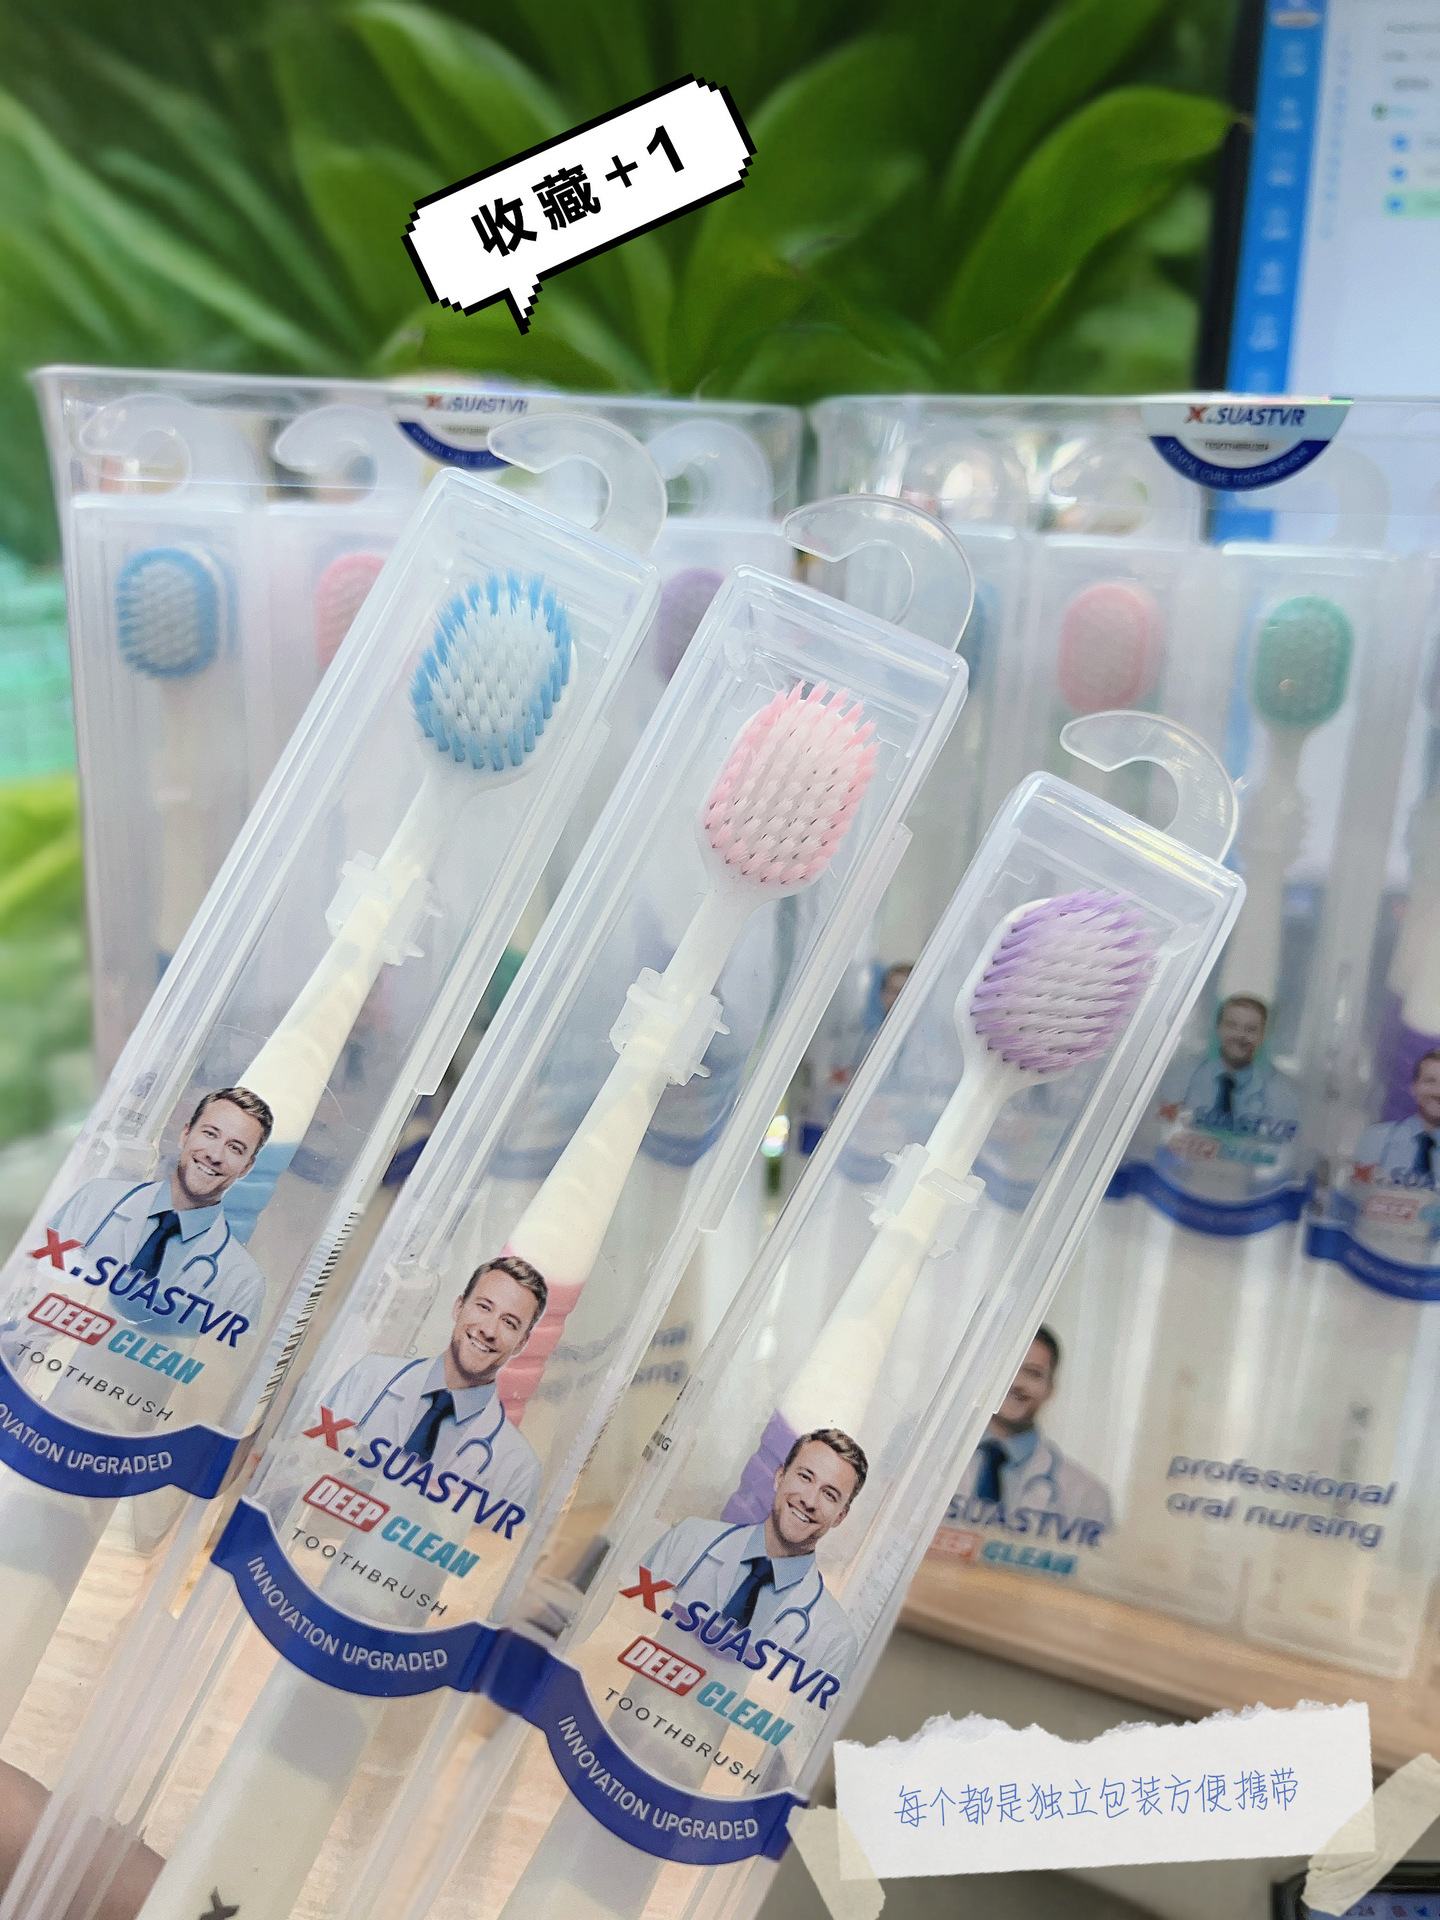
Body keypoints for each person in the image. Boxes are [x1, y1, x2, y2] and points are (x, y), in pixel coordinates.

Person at [7, 1087, 272, 1365]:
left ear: (246, 1167)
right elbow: (23, 1282)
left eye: (235, 1148)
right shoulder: (95, 1199)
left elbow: (213, 1373)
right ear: (185, 1134)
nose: (215, 1155)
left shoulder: (244, 1282)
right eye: (210, 1133)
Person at [319, 1255, 546, 1513]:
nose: (489, 1330)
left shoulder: (520, 1469)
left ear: (521, 1343)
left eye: (509, 1323)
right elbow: (301, 1467)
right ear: (458, 1307)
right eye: (484, 1307)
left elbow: (495, 1540)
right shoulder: (369, 1376)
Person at [641, 1429, 865, 1683]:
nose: (809, 1501)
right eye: (805, 1477)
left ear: (840, 1516)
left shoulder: (836, 1640)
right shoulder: (689, 1538)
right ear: (780, 1477)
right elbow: (621, 1622)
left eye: (829, 1494)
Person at [944, 1329, 1112, 1538]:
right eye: (1008, 1369)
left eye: (1033, 1373)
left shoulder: (1087, 1497)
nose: (1017, 1383)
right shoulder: (930, 1460)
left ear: (1050, 1389)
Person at [1354, 1050, 1440, 1188]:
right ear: (1413, 1088)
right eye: (1430, 1081)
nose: (1438, 1092)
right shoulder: (1376, 1138)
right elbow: (1351, 1196)